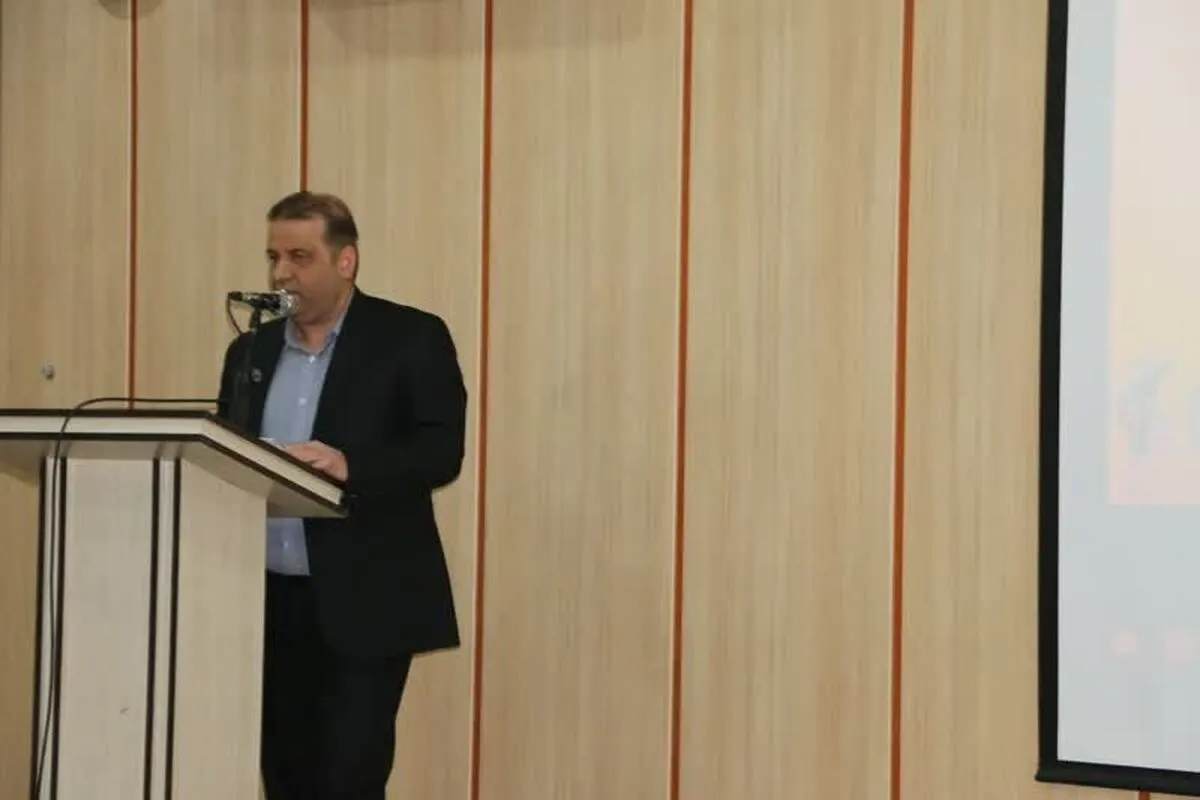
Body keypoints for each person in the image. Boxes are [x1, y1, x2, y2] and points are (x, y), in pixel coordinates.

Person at [216, 191, 467, 799]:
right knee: (285, 778)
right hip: (269, 603)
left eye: (299, 256)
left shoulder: (410, 336)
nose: (281, 273)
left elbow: (441, 451)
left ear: (345, 260)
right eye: (274, 257)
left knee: (348, 780)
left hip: (366, 600)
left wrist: (352, 465)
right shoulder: (250, 351)